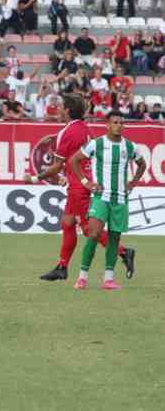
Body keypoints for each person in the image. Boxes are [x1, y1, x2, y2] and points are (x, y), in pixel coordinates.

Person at [23, 95, 135, 281]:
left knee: (89, 229)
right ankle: (62, 266)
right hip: (84, 182)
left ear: (67, 111)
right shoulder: (85, 128)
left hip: (80, 187)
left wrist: (34, 178)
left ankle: (124, 252)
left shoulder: (66, 133)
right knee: (67, 223)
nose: (57, 110)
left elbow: (57, 166)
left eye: (60, 107)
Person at [71, 111, 146, 290]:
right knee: (94, 233)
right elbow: (74, 161)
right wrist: (86, 182)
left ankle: (109, 279)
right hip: (100, 197)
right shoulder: (96, 144)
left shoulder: (130, 147)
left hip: (120, 198)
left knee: (114, 238)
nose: (119, 125)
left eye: (121, 122)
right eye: (115, 122)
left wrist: (133, 183)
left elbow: (142, 164)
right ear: (107, 125)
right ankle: (82, 277)